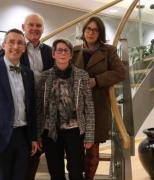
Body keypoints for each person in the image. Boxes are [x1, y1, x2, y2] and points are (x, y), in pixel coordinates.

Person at [72, 16, 126, 180]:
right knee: (74, 148)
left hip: (97, 106)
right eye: (88, 29)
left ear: (100, 32)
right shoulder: (74, 50)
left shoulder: (109, 50)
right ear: (84, 31)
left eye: (95, 30)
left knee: (92, 148)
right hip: (74, 107)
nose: (91, 32)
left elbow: (120, 72)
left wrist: (97, 80)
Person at [36, 39, 95, 180]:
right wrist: (37, 134)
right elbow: (39, 107)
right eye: (59, 50)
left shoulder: (82, 75)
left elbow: (89, 106)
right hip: (50, 131)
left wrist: (89, 136)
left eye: (66, 50)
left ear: (70, 55)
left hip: (74, 130)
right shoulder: (44, 76)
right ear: (53, 54)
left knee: (76, 171)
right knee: (55, 172)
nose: (62, 53)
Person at [0, 28, 38, 180]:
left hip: (23, 136)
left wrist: (34, 137)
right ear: (3, 45)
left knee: (21, 176)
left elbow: (31, 108)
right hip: (2, 135)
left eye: (20, 43)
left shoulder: (28, 73)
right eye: (11, 42)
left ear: (24, 48)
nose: (15, 47)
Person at [21, 13, 54, 180]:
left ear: (43, 29)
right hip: (22, 114)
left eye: (38, 26)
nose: (35, 29)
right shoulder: (16, 49)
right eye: (31, 25)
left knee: (35, 158)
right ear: (23, 28)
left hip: (44, 114)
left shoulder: (50, 52)